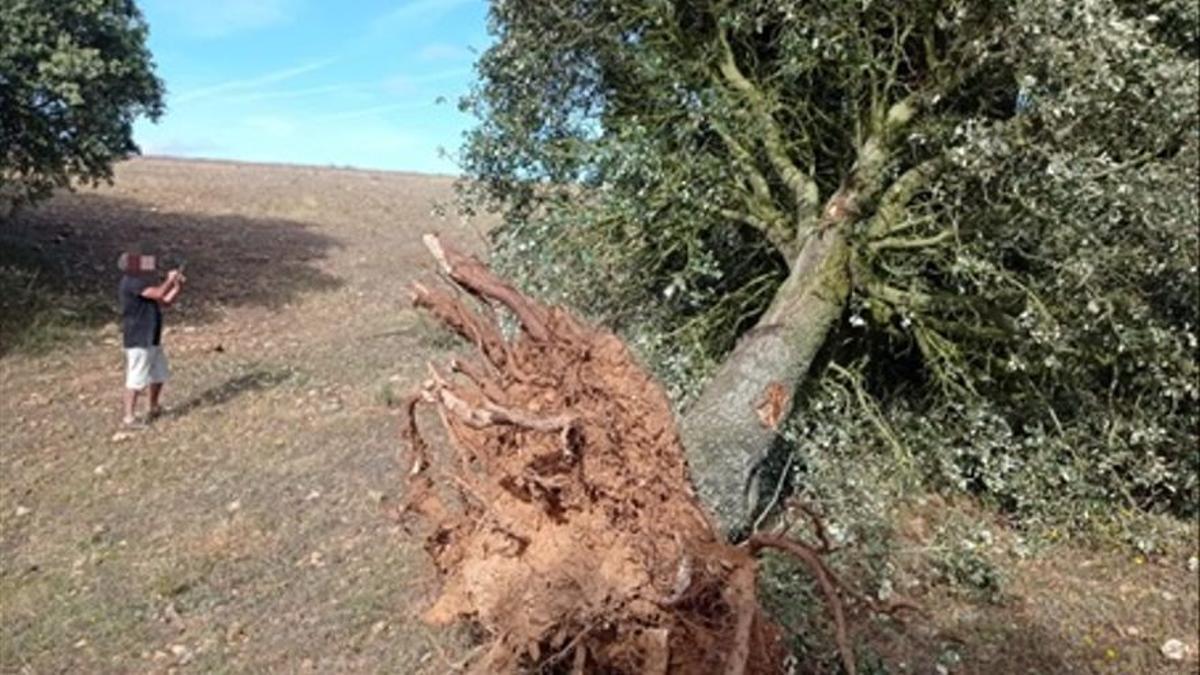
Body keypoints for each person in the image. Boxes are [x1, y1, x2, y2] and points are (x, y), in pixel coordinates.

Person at [117, 247, 186, 427]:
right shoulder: (131, 282)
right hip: (139, 337)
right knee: (136, 377)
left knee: (158, 374)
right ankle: (129, 417)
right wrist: (169, 280)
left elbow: (165, 301)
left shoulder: (141, 283)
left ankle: (153, 407)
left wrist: (177, 287)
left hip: (151, 336)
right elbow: (159, 293)